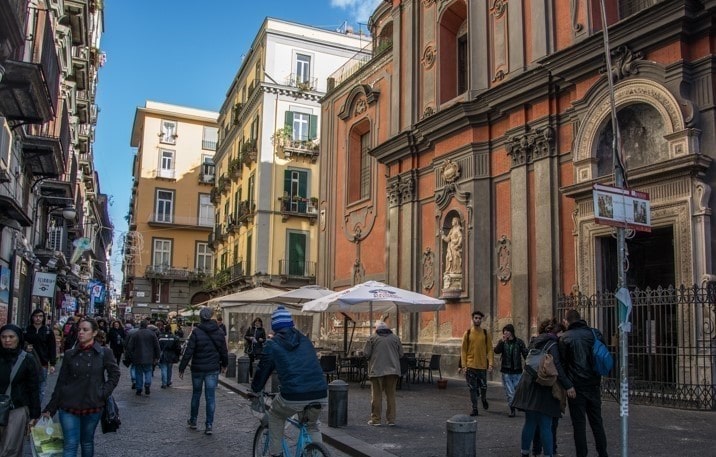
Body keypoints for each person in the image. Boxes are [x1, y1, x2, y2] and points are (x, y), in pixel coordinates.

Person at [250, 306, 327, 457]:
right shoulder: (305, 340)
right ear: (291, 323)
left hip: (293, 394)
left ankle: (276, 453)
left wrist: (255, 390)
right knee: (312, 426)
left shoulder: (272, 344)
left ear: (274, 327)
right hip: (320, 392)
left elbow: (263, 370)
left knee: (276, 416)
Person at [42, 317, 120, 457]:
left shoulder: (103, 353)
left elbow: (114, 374)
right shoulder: (70, 354)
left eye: (85, 330)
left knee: (87, 441)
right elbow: (61, 382)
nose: (81, 333)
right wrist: (50, 408)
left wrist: (103, 392)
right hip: (69, 405)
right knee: (70, 443)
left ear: (94, 333)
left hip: (93, 404)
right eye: (79, 330)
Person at [512, 318, 572, 457]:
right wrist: (568, 385)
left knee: (530, 422)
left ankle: (525, 452)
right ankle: (549, 455)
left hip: (528, 383)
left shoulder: (535, 340)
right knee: (546, 424)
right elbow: (556, 366)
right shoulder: (552, 345)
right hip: (543, 386)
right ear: (558, 332)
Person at [559, 309, 609, 457]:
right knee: (597, 423)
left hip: (575, 388)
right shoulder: (595, 334)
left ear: (567, 321)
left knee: (579, 425)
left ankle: (582, 454)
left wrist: (568, 385)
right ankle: (603, 453)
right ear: (580, 318)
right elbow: (602, 355)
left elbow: (561, 365)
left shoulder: (565, 338)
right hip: (593, 384)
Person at [178, 307, 228, 435]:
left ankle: (193, 421)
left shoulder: (196, 332)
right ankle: (209, 425)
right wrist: (225, 364)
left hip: (198, 368)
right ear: (211, 317)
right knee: (210, 397)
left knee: (196, 395)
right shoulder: (219, 332)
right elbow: (223, 351)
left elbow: (189, 351)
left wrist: (182, 367)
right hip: (212, 368)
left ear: (201, 318)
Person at [0, 324, 41, 457]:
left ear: (18, 338)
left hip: (16, 408)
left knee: (10, 449)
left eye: (11, 337)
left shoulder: (27, 359)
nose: (7, 340)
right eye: (3, 337)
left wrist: (34, 415)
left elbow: (34, 387)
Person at [363, 321, 403, 426]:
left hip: (377, 370)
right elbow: (401, 354)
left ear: (376, 329)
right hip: (393, 370)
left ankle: (376, 419)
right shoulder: (395, 338)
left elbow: (366, 354)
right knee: (391, 396)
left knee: (376, 396)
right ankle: (391, 420)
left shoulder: (372, 338)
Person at [459, 310, 493, 416]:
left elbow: (490, 349)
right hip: (470, 365)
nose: (477, 320)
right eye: (476, 318)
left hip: (482, 365)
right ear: (473, 319)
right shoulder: (468, 333)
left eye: (479, 318)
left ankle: (483, 398)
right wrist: (464, 365)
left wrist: (491, 363)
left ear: (481, 320)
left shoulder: (485, 334)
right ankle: (474, 408)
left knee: (483, 387)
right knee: (472, 389)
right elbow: (463, 350)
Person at [24, 309, 57, 406]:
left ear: (43, 318)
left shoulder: (47, 331)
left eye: (40, 316)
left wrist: (53, 364)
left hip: (42, 363)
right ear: (32, 317)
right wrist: (26, 347)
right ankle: (27, 406)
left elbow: (52, 348)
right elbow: (20, 343)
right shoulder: (26, 330)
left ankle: (36, 408)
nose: (38, 318)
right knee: (27, 384)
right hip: (27, 362)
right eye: (36, 316)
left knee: (41, 386)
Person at [493, 323, 528, 417]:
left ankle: (518, 405)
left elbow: (525, 354)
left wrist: (528, 365)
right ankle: (512, 409)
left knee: (518, 390)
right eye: (504, 332)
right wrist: (501, 342)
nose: (506, 333)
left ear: (512, 332)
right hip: (506, 371)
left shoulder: (519, 342)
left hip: (517, 371)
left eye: (507, 331)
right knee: (510, 392)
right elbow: (496, 351)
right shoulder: (503, 342)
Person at [125, 319, 160, 396]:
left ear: (140, 325)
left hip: (137, 357)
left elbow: (129, 347)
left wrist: (130, 356)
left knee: (139, 373)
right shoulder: (152, 334)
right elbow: (157, 346)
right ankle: (147, 384)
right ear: (147, 325)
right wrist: (157, 356)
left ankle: (139, 388)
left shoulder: (135, 334)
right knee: (148, 371)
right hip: (149, 357)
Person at [158, 323, 182, 388]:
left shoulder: (160, 337)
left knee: (163, 368)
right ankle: (168, 381)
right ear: (170, 330)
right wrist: (177, 354)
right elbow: (178, 348)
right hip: (171, 355)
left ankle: (164, 383)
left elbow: (157, 346)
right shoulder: (174, 337)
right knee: (169, 369)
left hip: (163, 354)